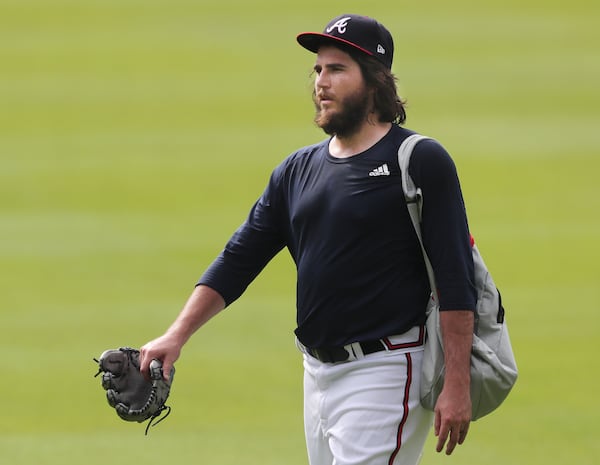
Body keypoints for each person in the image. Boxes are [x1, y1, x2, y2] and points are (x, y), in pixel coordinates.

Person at [140, 13, 476, 465]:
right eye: (317, 70)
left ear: (375, 81)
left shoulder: (416, 161)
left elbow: (456, 279)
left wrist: (457, 385)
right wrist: (176, 335)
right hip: (316, 374)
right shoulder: (298, 169)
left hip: (386, 370)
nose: (321, 82)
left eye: (337, 69)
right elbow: (240, 258)